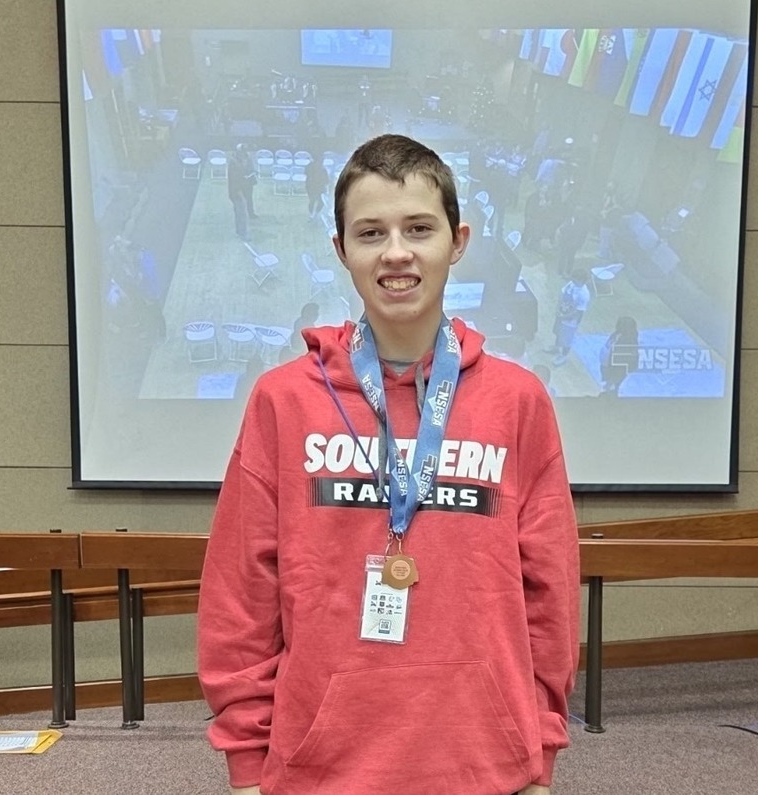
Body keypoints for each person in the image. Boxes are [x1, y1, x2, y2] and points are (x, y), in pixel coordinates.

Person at [198, 134, 580, 795]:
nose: (396, 252)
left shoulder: (519, 401)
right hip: (320, 769)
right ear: (341, 249)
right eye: (371, 231)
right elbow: (241, 590)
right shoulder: (282, 401)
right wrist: (247, 759)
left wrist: (539, 743)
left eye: (418, 228)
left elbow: (549, 589)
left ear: (457, 241)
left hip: (486, 765)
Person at [547, 267, 591, 367]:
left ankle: (563, 356)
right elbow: (562, 295)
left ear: (582, 280)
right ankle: (556, 347)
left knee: (567, 340)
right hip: (561, 313)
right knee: (558, 332)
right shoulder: (571, 284)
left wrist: (565, 317)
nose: (573, 281)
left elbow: (578, 312)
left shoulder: (584, 294)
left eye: (575, 280)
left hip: (570, 321)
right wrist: (558, 309)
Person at [599, 315, 639, 396]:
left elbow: (627, 359)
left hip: (615, 369)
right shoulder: (616, 334)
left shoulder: (628, 340)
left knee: (610, 389)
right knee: (607, 388)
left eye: (620, 324)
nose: (617, 325)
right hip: (606, 365)